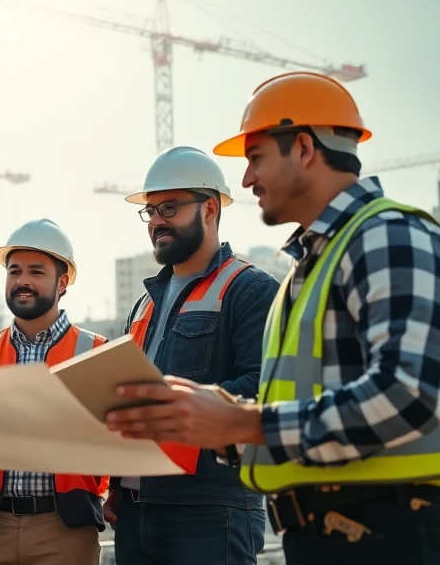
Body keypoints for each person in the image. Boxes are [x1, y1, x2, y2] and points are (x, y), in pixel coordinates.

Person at [106, 71, 440, 564]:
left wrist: (242, 421)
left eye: (256, 158)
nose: (245, 179)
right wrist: (216, 423)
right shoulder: (308, 270)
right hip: (326, 529)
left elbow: (406, 395)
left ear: (303, 148)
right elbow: (293, 404)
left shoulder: (389, 236)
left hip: (388, 530)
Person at [102, 146, 278, 565]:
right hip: (135, 511)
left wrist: (174, 407)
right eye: (151, 211)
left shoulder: (250, 290)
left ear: (210, 209)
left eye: (169, 208)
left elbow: (263, 391)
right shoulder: (143, 305)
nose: (157, 221)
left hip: (210, 510)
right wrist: (115, 485)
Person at [0, 218, 109, 565]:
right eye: (14, 271)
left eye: (36, 272)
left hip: (67, 532)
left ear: (63, 281)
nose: (22, 281)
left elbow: (122, 443)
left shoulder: (97, 352)